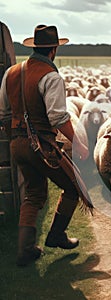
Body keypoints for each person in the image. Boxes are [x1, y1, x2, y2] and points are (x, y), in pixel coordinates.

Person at [0, 24, 89, 267]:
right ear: (54, 50)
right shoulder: (51, 77)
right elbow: (58, 117)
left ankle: (25, 250)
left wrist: (16, 138)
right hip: (42, 146)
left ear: (36, 47)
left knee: (33, 193)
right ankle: (56, 235)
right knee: (73, 186)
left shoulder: (11, 73)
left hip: (17, 145)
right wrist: (78, 143)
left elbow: (4, 114)